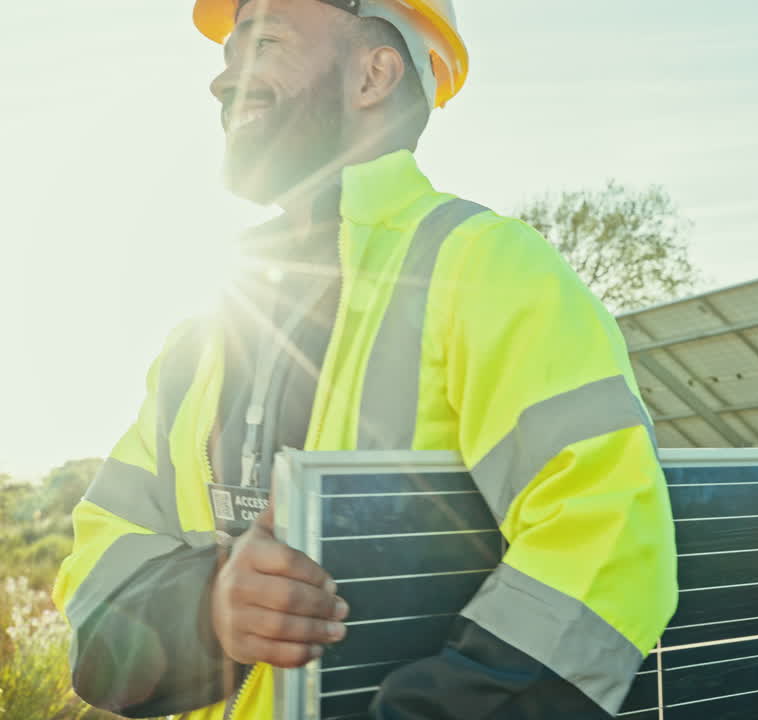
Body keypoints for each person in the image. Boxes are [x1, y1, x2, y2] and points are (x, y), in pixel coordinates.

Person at [51, 0, 678, 718]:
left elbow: (608, 542)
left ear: (373, 74)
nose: (222, 82)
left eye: (264, 43)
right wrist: (210, 611)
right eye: (225, 56)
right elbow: (100, 568)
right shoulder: (201, 334)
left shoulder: (484, 266)